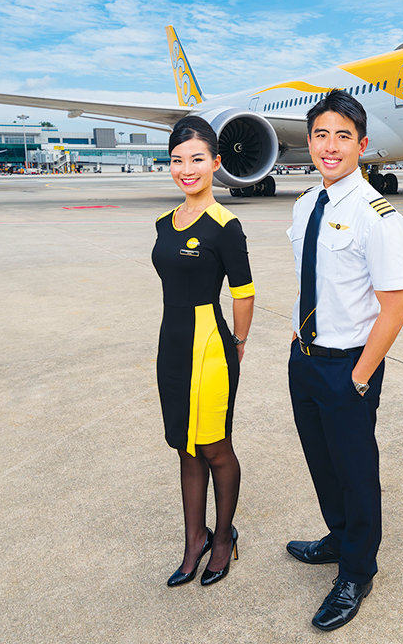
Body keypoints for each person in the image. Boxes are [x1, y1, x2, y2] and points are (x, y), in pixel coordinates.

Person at [285, 90, 403, 631]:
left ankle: (358, 571)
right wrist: (297, 339)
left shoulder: (377, 215)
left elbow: (396, 307)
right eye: (320, 135)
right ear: (309, 142)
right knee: (322, 460)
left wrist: (360, 377)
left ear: (361, 145)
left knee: (356, 470)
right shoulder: (305, 204)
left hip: (348, 367)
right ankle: (338, 538)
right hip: (306, 358)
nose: (329, 146)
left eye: (342, 136)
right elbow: (311, 280)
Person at [151, 116, 254, 587]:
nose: (186, 169)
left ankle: (223, 539)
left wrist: (238, 343)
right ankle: (194, 539)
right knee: (184, 447)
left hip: (211, 345)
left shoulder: (225, 225)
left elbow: (244, 291)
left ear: (216, 163)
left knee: (214, 446)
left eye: (196, 159)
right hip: (171, 343)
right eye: (177, 160)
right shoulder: (164, 222)